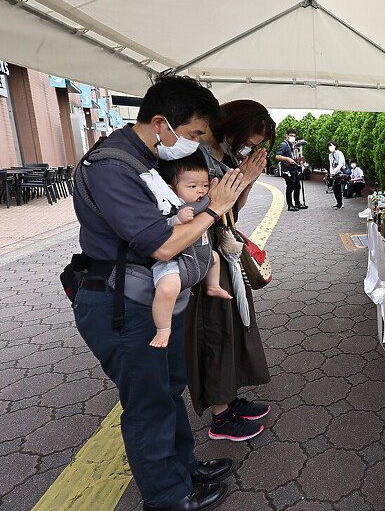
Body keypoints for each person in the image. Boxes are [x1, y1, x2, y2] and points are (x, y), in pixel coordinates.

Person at [72, 75, 245, 511]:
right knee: (148, 402)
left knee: (169, 388)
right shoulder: (111, 165)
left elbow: (180, 217)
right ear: (161, 122)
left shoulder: (145, 158)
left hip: (148, 298)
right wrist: (216, 209)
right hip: (122, 305)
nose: (196, 144)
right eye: (193, 134)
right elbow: (163, 244)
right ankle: (167, 497)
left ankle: (183, 469)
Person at [187, 99, 276, 442]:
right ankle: (220, 418)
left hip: (224, 249)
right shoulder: (192, 154)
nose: (249, 148)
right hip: (204, 252)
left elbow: (234, 208)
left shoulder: (223, 150)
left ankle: (229, 399)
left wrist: (249, 178)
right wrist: (242, 177)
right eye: (250, 140)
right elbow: (197, 207)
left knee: (236, 324)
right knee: (216, 329)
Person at [150, 155, 232, 349]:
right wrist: (177, 220)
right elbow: (160, 226)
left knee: (215, 258)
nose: (200, 191)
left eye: (204, 185)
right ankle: (163, 328)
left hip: (199, 256)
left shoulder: (203, 203)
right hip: (174, 262)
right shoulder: (171, 205)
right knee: (167, 288)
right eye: (192, 186)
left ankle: (212, 286)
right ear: (172, 189)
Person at [275, 128, 306, 211]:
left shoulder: (291, 145)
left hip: (294, 169)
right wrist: (288, 159)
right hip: (287, 170)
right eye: (291, 136)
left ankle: (297, 203)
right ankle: (290, 205)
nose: (293, 137)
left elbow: (292, 156)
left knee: (297, 187)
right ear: (287, 136)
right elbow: (278, 156)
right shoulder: (284, 145)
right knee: (290, 187)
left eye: (294, 136)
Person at [328, 141, 347, 209]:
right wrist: (331, 173)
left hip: (339, 173)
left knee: (338, 188)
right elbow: (331, 165)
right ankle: (338, 202)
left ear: (335, 146)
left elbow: (341, 163)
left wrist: (335, 171)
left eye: (332, 145)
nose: (330, 147)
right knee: (335, 189)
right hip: (334, 174)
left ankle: (341, 203)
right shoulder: (330, 155)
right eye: (329, 146)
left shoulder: (339, 153)